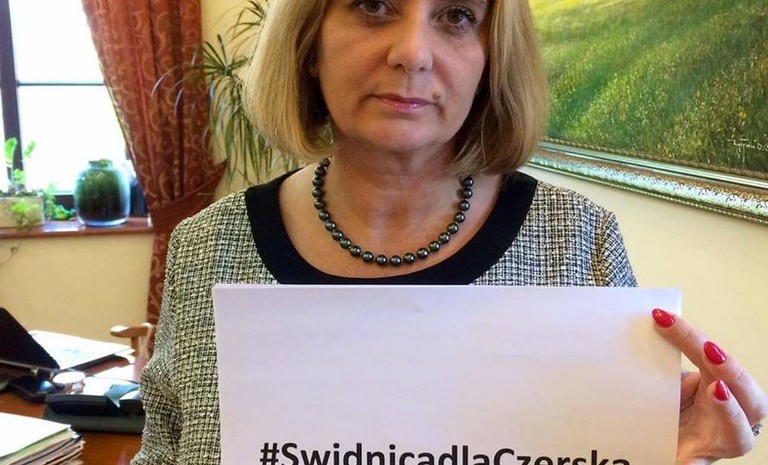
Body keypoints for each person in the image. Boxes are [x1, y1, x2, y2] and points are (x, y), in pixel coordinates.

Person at [131, 0, 767, 463]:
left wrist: (663, 452)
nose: (412, 52)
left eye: (458, 15)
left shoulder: (576, 240)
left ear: (491, 57)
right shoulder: (207, 247)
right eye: (373, 5)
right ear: (309, 43)